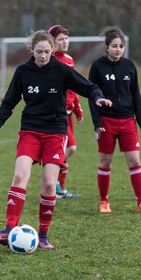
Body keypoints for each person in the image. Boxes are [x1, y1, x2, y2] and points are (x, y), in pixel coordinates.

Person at [0, 30, 112, 250]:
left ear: (53, 50)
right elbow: (9, 102)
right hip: (30, 130)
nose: (43, 56)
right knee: (20, 174)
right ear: (32, 50)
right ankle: (8, 230)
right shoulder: (23, 71)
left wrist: (98, 98)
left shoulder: (62, 70)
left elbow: (88, 87)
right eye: (39, 52)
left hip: (55, 131)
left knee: (50, 184)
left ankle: (42, 236)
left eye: (47, 52)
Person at [88, 26, 141, 213]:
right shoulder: (98, 67)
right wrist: (97, 123)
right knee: (106, 161)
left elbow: (135, 93)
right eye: (114, 46)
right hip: (106, 121)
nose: (118, 49)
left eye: (121, 46)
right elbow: (92, 96)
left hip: (128, 121)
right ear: (106, 47)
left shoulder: (129, 66)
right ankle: (104, 201)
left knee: (134, 161)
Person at [48, 25, 83, 199]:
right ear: (53, 42)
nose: (64, 42)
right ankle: (52, 180)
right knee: (70, 148)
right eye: (60, 39)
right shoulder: (50, 60)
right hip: (57, 115)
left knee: (65, 150)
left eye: (66, 38)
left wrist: (77, 109)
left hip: (69, 113)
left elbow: (73, 86)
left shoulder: (69, 59)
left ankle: (59, 189)